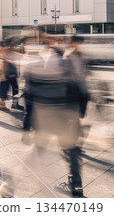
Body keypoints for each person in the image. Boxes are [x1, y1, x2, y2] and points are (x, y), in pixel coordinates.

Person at [24, 36, 84, 197]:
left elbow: (29, 94)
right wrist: (80, 112)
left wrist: (27, 123)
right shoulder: (68, 61)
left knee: (39, 149)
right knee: (71, 151)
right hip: (67, 115)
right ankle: (76, 186)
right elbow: (80, 87)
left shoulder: (35, 64)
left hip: (46, 115)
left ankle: (20, 182)